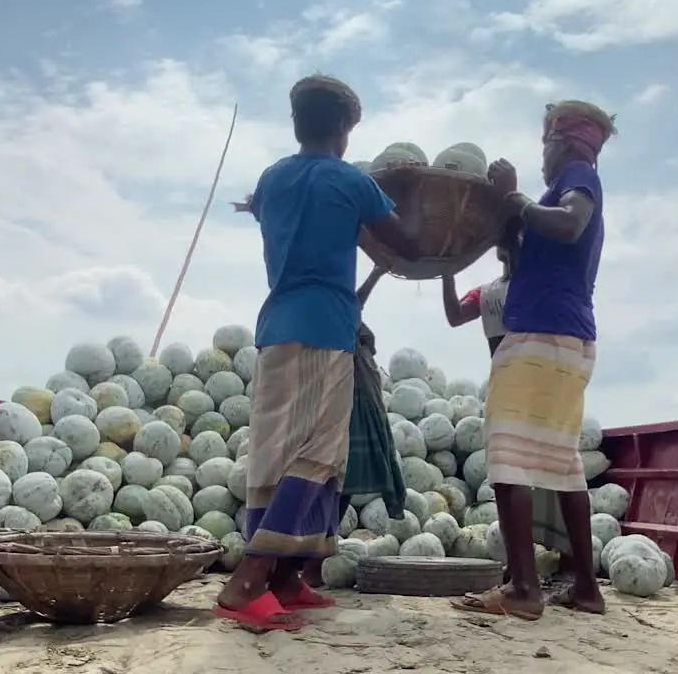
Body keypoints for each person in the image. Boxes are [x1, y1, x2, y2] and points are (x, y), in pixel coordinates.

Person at [212, 75, 421, 632]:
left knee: (273, 456)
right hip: (326, 329)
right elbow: (406, 242)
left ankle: (285, 580)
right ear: (345, 130)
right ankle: (248, 581)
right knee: (317, 455)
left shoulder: (273, 177)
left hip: (276, 327)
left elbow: (261, 207)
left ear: (297, 123)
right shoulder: (350, 182)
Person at [451, 99, 615, 621]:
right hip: (570, 339)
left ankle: (523, 589)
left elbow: (569, 223)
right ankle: (587, 588)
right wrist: (507, 211)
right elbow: (523, 255)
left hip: (541, 337)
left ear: (563, 142)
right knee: (565, 464)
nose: (542, 154)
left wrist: (517, 199)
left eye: (545, 142)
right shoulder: (566, 182)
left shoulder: (577, 176)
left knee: (506, 454)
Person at [301, 262, 407, 587]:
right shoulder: (326, 309)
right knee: (331, 486)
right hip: (344, 403)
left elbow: (354, 306)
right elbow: (354, 304)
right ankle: (309, 567)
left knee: (340, 487)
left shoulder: (337, 310)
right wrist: (375, 274)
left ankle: (313, 566)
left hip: (359, 399)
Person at [440, 222, 520, 356]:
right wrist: (447, 274)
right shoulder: (485, 293)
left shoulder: (540, 285)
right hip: (502, 373)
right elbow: (455, 317)